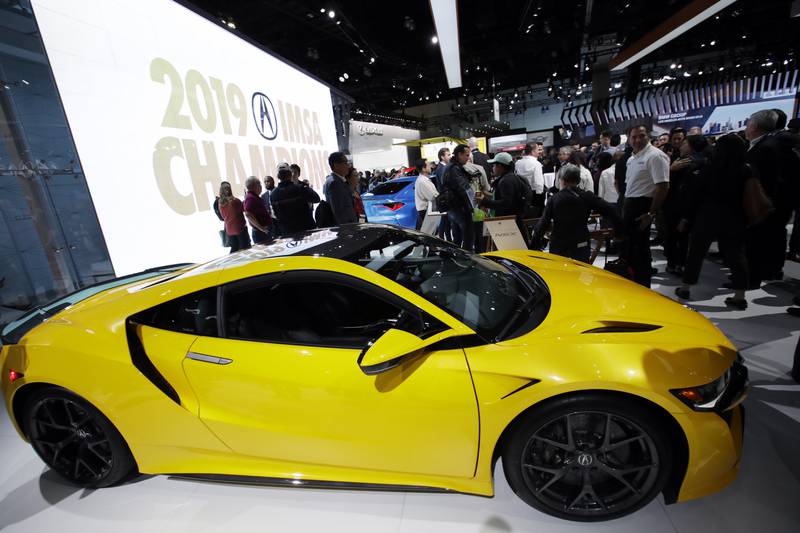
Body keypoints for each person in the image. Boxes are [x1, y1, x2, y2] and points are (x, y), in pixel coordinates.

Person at [676, 134, 750, 308]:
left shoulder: (710, 168)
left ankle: (686, 287)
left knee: (696, 252)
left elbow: (695, 196)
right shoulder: (746, 169)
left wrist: (686, 217)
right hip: (735, 216)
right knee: (736, 255)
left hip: (707, 215)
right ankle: (740, 295)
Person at [532, 164, 622, 263]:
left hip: (559, 244)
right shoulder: (587, 196)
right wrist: (619, 232)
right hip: (581, 241)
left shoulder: (554, 199)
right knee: (581, 272)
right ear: (578, 180)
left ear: (562, 180)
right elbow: (611, 210)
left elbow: (544, 223)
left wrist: (534, 243)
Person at [622, 125, 670, 287]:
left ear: (648, 137)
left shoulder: (655, 156)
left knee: (640, 250)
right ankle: (632, 283)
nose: (637, 140)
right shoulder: (631, 159)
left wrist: (651, 213)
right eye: (634, 137)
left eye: (641, 136)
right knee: (630, 248)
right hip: (630, 204)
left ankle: (643, 286)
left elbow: (662, 186)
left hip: (643, 205)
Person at [744, 109, 783, 287]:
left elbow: (766, 181)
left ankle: (752, 278)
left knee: (756, 242)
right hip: (755, 202)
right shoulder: (760, 144)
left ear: (754, 126)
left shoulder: (767, 147)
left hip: (759, 204)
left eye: (748, 124)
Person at [663, 135, 708, 275]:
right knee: (684, 238)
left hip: (678, 207)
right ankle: (680, 264)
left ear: (691, 146)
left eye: (684, 144)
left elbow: (685, 190)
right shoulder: (705, 161)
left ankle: (673, 264)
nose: (681, 146)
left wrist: (670, 170)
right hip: (692, 208)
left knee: (673, 236)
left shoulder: (686, 163)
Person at [478, 152, 529, 246]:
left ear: (500, 166)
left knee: (510, 250)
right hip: (514, 220)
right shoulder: (511, 177)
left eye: (494, 165)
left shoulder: (506, 181)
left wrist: (485, 203)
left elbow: (506, 203)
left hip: (507, 223)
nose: (492, 168)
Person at [440, 144, 475, 250]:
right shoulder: (454, 169)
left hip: (453, 207)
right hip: (459, 207)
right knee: (468, 236)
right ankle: (467, 261)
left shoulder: (450, 166)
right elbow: (463, 189)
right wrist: (473, 203)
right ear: (459, 154)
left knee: (457, 238)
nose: (468, 157)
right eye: (466, 155)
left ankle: (457, 261)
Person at [269, 167, 320, 235]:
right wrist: (308, 188)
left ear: (278, 177)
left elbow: (275, 213)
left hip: (287, 232)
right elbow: (316, 199)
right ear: (290, 175)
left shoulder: (273, 194)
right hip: (306, 229)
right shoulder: (299, 188)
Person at [323, 151, 358, 225]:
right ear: (336, 165)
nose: (348, 166)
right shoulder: (334, 183)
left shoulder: (337, 180)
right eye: (345, 162)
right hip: (348, 227)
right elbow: (338, 211)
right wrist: (347, 230)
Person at [217, 182, 250, 253]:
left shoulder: (220, 203)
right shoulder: (235, 201)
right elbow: (244, 208)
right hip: (240, 228)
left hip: (229, 230)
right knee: (245, 250)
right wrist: (246, 198)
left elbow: (223, 216)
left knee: (235, 249)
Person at [516, 144, 546, 217]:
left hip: (521, 193)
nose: (539, 152)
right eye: (538, 150)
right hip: (534, 194)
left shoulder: (517, 163)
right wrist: (540, 196)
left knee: (524, 216)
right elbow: (538, 182)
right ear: (532, 151)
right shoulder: (536, 163)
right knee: (536, 217)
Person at [243, 176, 274, 244]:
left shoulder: (253, 196)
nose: (261, 186)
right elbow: (248, 214)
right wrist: (261, 228)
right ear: (255, 185)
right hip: (261, 234)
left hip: (263, 232)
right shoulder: (250, 198)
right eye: (259, 184)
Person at [414, 158, 438, 230]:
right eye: (428, 165)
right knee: (429, 233)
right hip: (426, 212)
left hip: (426, 211)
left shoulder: (423, 180)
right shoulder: (423, 181)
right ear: (423, 168)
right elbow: (433, 196)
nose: (430, 167)